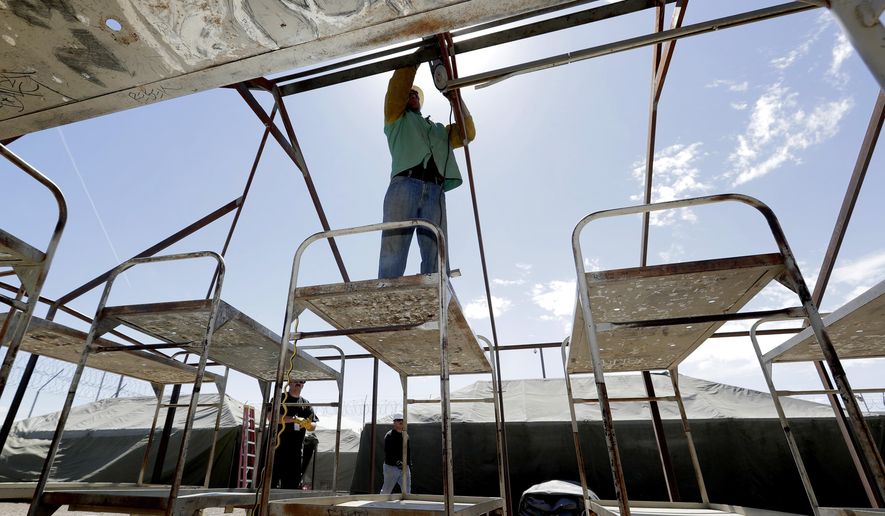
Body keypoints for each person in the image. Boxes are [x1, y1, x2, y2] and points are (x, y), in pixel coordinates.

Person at [378, 64, 476, 279]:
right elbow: (397, 87)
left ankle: (436, 289)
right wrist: (417, 59)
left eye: (415, 95)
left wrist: (456, 99)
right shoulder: (395, 119)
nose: (411, 95)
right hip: (405, 185)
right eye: (409, 94)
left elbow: (467, 133)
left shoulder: (440, 131)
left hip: (435, 190)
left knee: (436, 250)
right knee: (394, 246)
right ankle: (387, 292)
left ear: (420, 102)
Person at [271, 379, 318, 489]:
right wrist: (294, 419)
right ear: (289, 383)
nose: (299, 383)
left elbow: (313, 425)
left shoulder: (306, 404)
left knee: (291, 485)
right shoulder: (280, 398)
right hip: (276, 449)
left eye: (302, 381)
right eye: (296, 380)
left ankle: (285, 506)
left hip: (295, 453)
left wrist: (308, 424)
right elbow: (271, 417)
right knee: (270, 484)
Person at [380, 414, 411, 494]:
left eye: (402, 420)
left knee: (407, 491)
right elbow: (388, 452)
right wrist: (397, 462)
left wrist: (408, 463)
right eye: (398, 420)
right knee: (386, 490)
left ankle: (406, 506)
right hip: (391, 467)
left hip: (404, 467)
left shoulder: (405, 435)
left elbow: (407, 450)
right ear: (394, 423)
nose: (401, 421)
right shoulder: (389, 435)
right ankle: (381, 505)